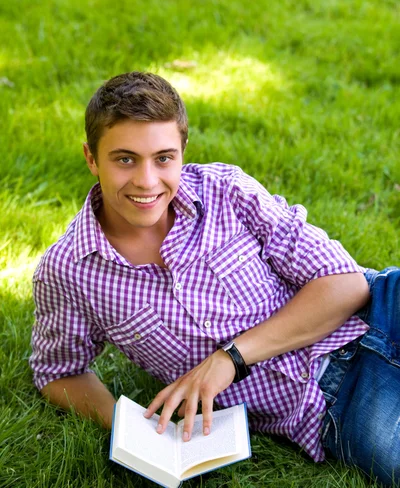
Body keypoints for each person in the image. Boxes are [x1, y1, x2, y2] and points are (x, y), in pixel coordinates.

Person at [30, 71, 400, 486]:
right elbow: (58, 370)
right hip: (329, 404)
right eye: (124, 159)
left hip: (382, 312)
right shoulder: (69, 270)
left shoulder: (225, 190)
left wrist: (230, 358)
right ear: (91, 157)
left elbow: (348, 284)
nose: (147, 181)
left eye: (164, 158)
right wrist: (131, 431)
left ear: (183, 150)